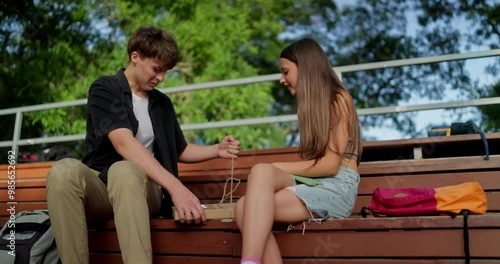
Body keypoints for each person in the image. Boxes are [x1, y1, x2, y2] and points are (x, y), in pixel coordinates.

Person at [46, 25, 240, 264]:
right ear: (135, 57)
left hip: (143, 190)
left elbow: (179, 149)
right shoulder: (105, 89)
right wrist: (176, 187)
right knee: (63, 170)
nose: (161, 78)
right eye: (157, 69)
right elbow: (123, 143)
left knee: (125, 170)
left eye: (166, 72)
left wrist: (215, 149)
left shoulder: (162, 103)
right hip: (102, 188)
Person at [234, 38, 362, 264]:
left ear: (305, 68)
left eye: (285, 72)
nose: (282, 79)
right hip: (319, 182)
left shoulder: (338, 99)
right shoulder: (312, 107)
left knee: (258, 182)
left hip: (338, 187)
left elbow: (331, 165)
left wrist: (277, 167)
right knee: (245, 202)